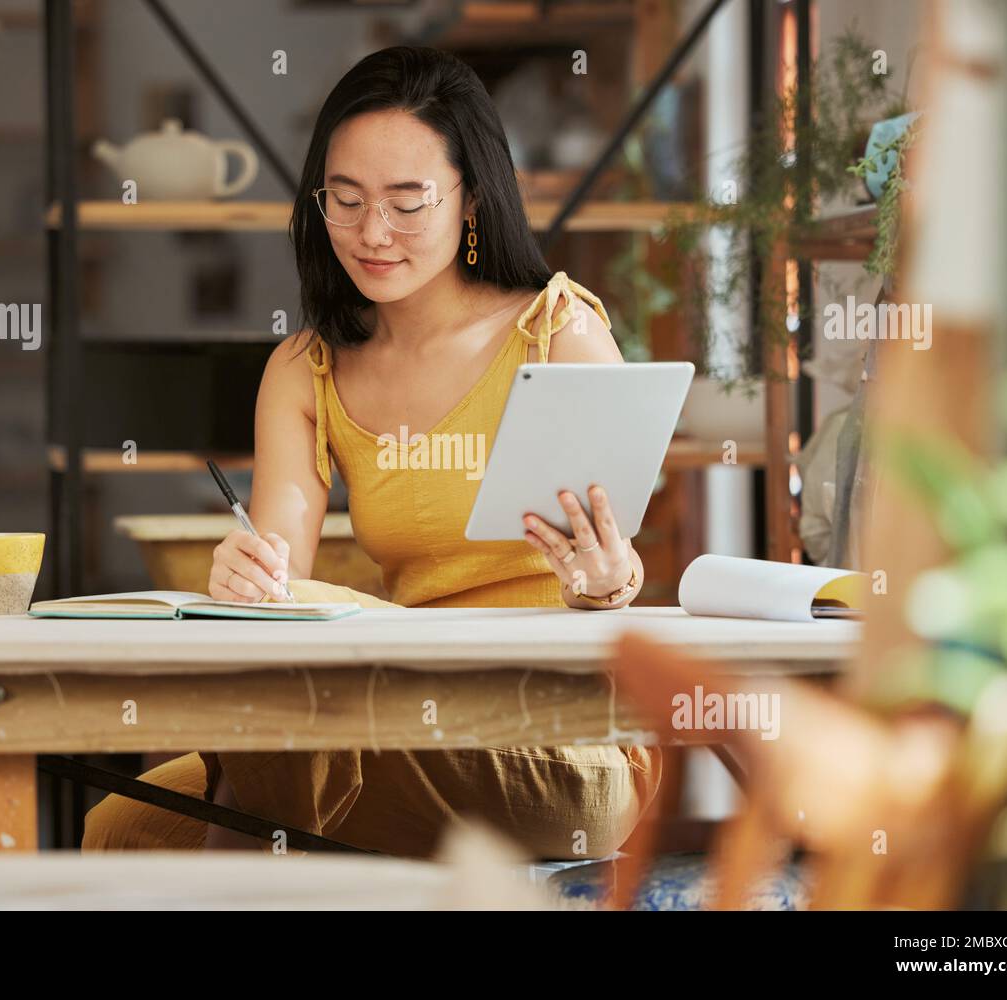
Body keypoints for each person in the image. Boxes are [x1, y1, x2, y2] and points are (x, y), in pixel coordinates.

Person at [83, 46, 662, 860]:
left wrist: (608, 586)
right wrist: (248, 579)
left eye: (406, 201)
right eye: (345, 201)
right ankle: (250, 831)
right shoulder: (304, 369)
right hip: (397, 718)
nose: (372, 233)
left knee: (261, 790)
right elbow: (281, 573)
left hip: (562, 742)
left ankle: (243, 842)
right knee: (123, 827)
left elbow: (616, 568)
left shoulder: (557, 334)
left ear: (471, 200)